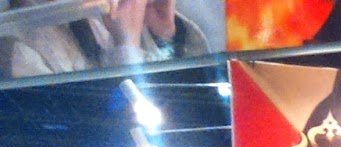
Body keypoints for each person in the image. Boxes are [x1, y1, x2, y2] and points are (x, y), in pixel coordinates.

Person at [1, 0, 210, 79]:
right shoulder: (18, 49)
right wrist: (127, 47)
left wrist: (166, 39)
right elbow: (108, 135)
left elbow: (181, 109)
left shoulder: (103, 12)